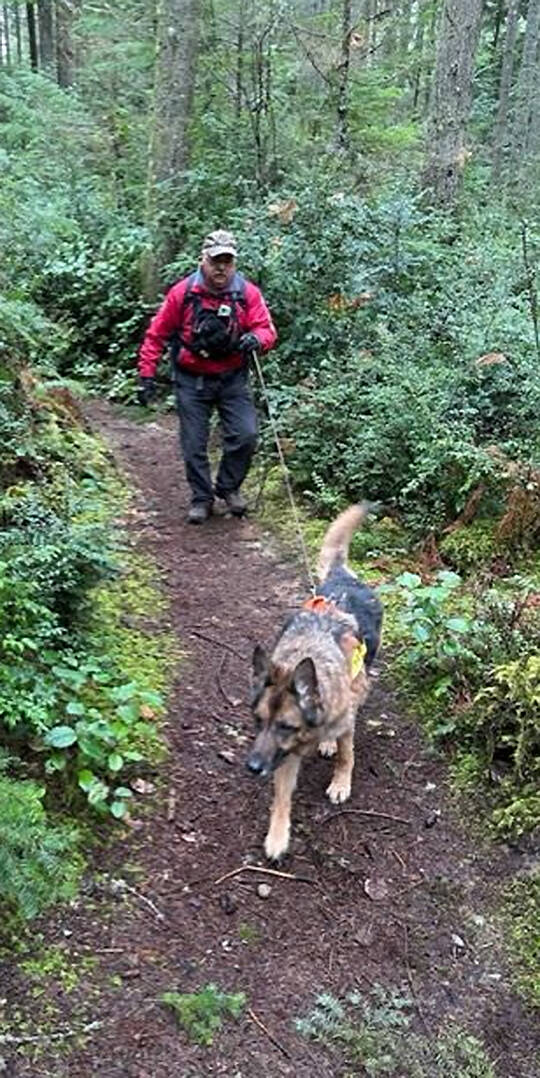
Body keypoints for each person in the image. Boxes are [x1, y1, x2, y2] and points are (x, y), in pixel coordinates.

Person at [137, 229, 277, 524]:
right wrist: (146, 374)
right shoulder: (183, 293)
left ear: (234, 263)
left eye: (227, 261)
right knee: (193, 443)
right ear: (203, 260)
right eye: (216, 260)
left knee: (246, 434)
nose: (221, 267)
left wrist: (256, 339)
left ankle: (228, 487)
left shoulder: (246, 293)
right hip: (192, 378)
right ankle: (201, 498)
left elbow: (266, 330)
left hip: (232, 376)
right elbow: (156, 334)